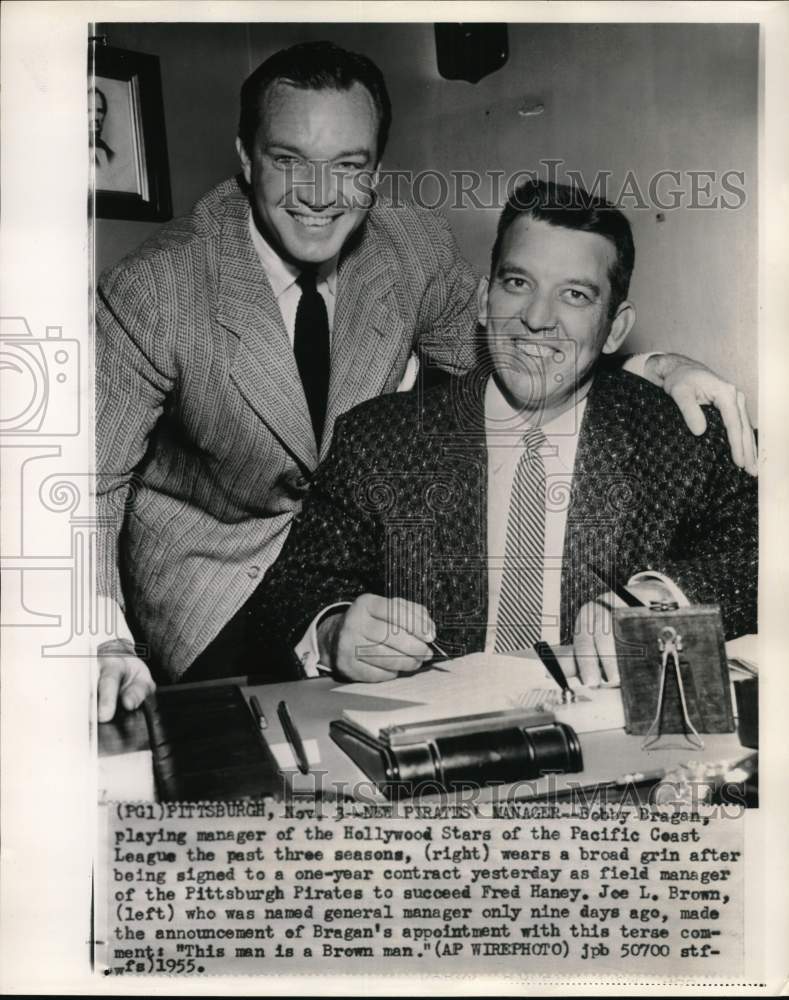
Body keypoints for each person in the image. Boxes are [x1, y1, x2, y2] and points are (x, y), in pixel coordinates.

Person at [96, 41, 757, 720]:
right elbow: (87, 481)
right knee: (223, 753)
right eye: (289, 160)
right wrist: (99, 640)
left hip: (366, 549)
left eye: (347, 165)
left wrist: (648, 370)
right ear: (244, 158)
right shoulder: (156, 288)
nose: (320, 194)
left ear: (375, 170)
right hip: (212, 572)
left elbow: (510, 347)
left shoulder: (409, 247)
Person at [253, 179, 757, 685]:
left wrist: (662, 599)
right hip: (435, 740)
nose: (537, 319)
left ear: (616, 329)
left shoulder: (679, 439)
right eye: (517, 283)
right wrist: (332, 630)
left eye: (575, 295)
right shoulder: (379, 437)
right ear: (481, 298)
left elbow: (762, 562)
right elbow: (293, 592)